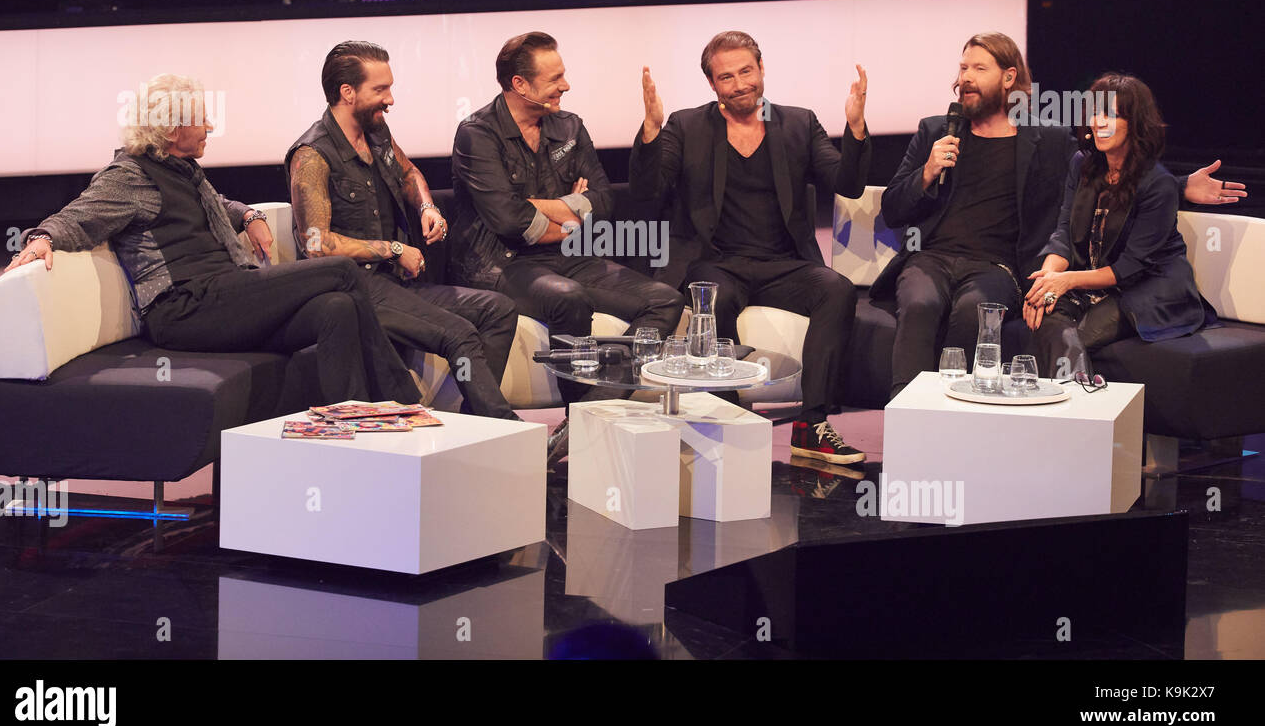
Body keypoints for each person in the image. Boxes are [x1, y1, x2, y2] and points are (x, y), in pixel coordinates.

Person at [7, 73, 416, 405]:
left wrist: (250, 214)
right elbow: (81, 214)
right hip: (186, 309)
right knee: (341, 270)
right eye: (201, 120)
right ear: (170, 129)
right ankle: (404, 402)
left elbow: (217, 203)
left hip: (222, 299)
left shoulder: (182, 167)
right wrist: (43, 236)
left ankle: (357, 422)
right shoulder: (130, 175)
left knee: (337, 308)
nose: (210, 127)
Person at [873, 32, 1244, 399]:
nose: (966, 77)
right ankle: (907, 413)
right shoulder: (938, 132)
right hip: (932, 259)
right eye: (963, 67)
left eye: (979, 68)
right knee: (922, 304)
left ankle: (967, 413)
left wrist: (1177, 186)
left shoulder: (1047, 140)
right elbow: (893, 210)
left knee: (977, 313)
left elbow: (1127, 178)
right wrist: (926, 172)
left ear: (1008, 77)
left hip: (999, 268)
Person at [632, 31, 872, 464]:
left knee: (836, 289)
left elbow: (848, 185)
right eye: (728, 77)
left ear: (762, 70)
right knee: (712, 297)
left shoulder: (799, 122)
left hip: (784, 264)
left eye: (747, 71)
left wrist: (855, 129)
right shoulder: (687, 126)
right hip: (716, 262)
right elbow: (648, 193)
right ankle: (729, 414)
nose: (741, 83)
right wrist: (650, 133)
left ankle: (811, 424)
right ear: (712, 85)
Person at [450, 32, 685, 451]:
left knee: (665, 299)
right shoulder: (477, 134)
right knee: (569, 297)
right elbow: (506, 219)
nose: (566, 85)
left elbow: (603, 200)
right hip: (502, 262)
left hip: (570, 255)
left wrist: (547, 209)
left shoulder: (569, 125)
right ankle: (582, 419)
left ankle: (591, 412)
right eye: (555, 78)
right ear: (519, 84)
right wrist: (571, 214)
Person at [286, 41, 521, 421]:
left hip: (396, 285)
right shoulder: (312, 154)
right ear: (347, 92)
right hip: (356, 290)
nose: (390, 99)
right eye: (380, 90)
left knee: (498, 310)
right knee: (458, 332)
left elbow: (408, 172)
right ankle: (504, 430)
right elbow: (317, 245)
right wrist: (394, 249)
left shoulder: (376, 131)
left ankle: (473, 423)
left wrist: (427, 206)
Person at [1024, 73, 1217, 376]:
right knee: (1046, 315)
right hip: (1097, 284)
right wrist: (1047, 281)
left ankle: (1076, 412)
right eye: (1095, 113)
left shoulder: (1159, 184)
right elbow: (1063, 231)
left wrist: (1067, 281)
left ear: (1135, 123)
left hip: (1148, 289)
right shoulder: (1082, 164)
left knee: (1081, 333)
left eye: (1111, 114)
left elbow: (1130, 267)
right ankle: (1077, 405)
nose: (1098, 122)